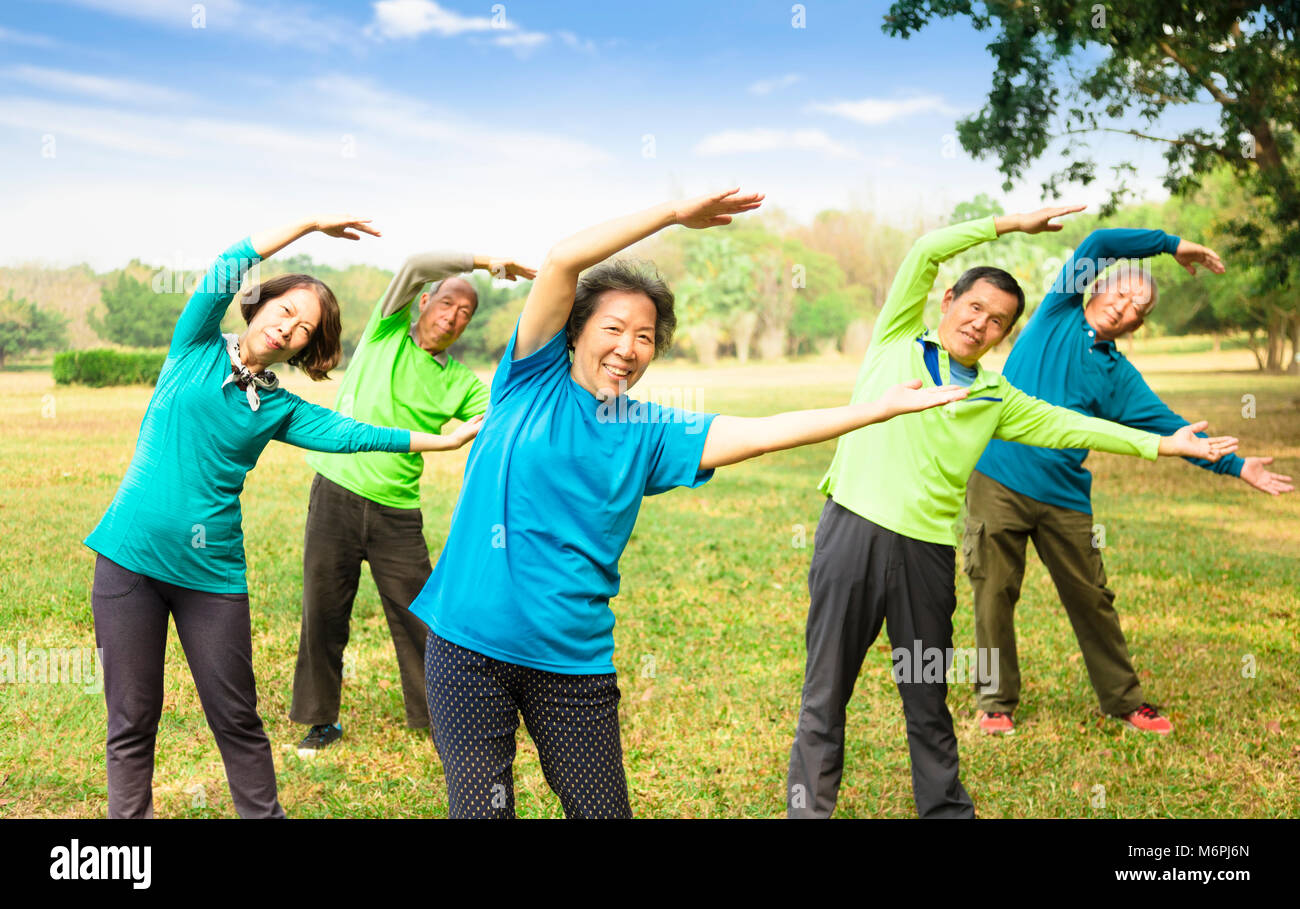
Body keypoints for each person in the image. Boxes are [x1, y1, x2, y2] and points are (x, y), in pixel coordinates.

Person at [407, 188, 972, 818]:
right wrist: (673, 214)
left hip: (572, 660)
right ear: (575, 331)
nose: (628, 347)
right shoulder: (528, 379)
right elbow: (564, 259)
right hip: (468, 648)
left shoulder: (650, 431)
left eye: (645, 337)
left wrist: (877, 408)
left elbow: (760, 432)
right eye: (613, 328)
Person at [785, 206, 1238, 819]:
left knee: (927, 698)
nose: (980, 324)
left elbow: (1071, 424)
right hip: (854, 534)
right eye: (973, 309)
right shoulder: (895, 341)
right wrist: (1010, 225)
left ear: (1004, 336)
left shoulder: (994, 396)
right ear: (948, 301)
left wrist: (1164, 442)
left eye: (997, 321)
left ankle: (946, 811)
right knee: (825, 694)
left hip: (925, 555)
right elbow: (924, 247)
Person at [84, 216, 480, 819]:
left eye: (305, 328)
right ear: (261, 303)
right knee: (132, 719)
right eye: (286, 309)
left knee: (237, 717)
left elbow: (352, 434)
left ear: (304, 347)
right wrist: (310, 225)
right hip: (128, 562)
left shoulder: (278, 407)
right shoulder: (193, 346)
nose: (289, 326)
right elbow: (228, 263)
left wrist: (441, 442)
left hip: (212, 577)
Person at [966, 228, 1293, 736]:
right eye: (1122, 292)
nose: (1126, 306)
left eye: (1139, 306)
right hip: (998, 481)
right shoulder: (1057, 312)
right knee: (993, 592)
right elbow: (1098, 243)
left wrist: (1238, 465)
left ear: (1139, 324)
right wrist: (1171, 245)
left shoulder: (1119, 375)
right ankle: (995, 703)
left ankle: (1123, 701)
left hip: (1064, 498)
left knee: (1092, 598)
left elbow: (1174, 431)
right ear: (1098, 289)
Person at [290, 249, 534, 754]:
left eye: (466, 313)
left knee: (421, 615)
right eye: (447, 304)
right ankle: (321, 721)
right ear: (424, 301)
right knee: (323, 612)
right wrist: (486, 262)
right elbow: (420, 261)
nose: (454, 317)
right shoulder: (386, 335)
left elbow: (504, 419)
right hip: (336, 492)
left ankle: (437, 716)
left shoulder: (459, 382)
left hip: (397, 510)